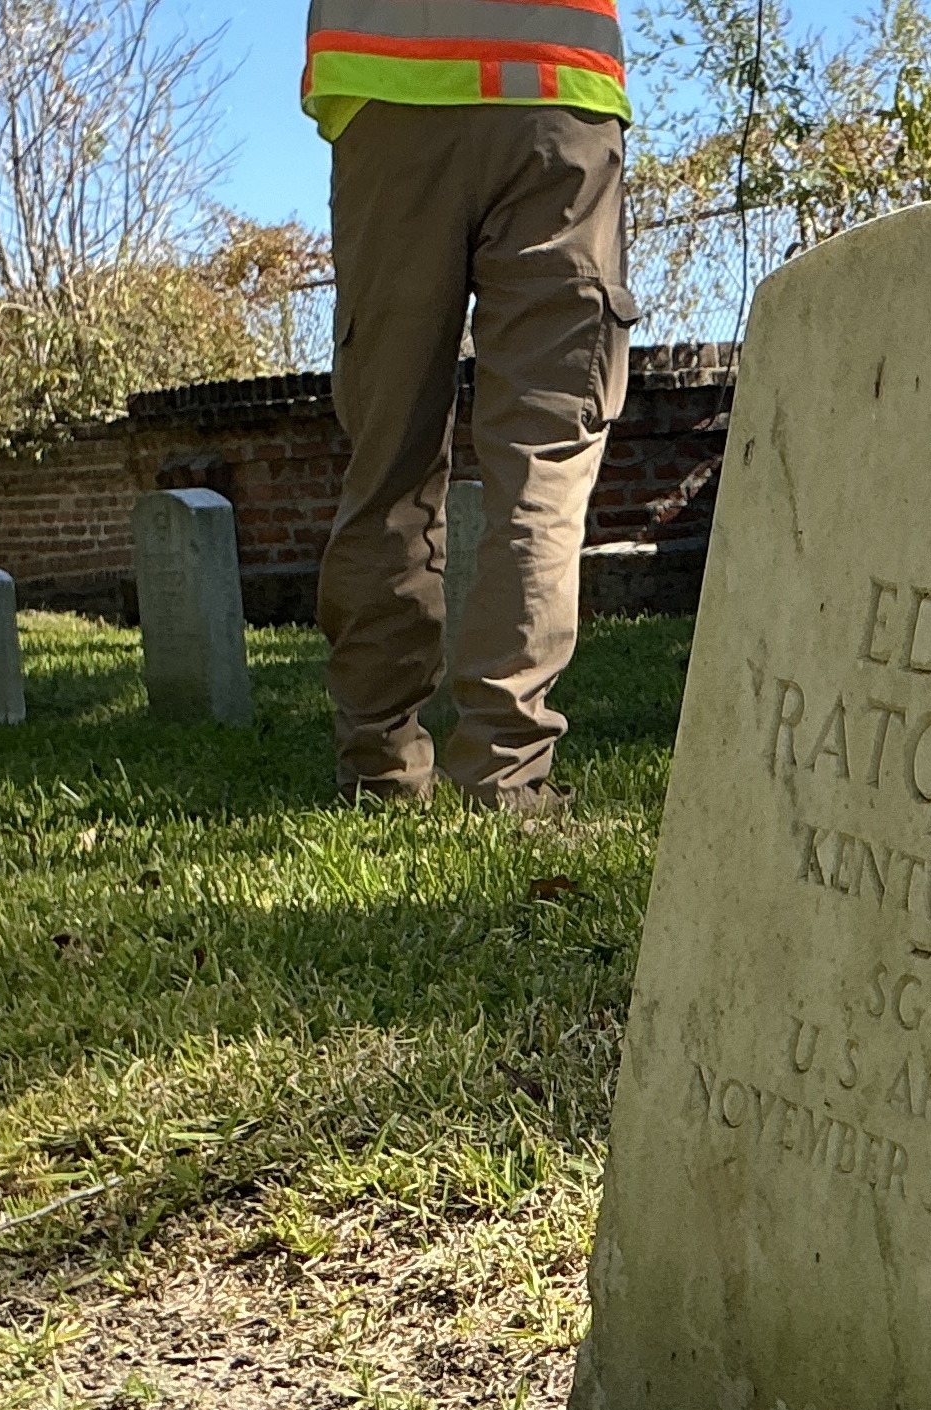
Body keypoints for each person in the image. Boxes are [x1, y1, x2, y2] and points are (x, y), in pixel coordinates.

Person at [303, 0, 637, 816]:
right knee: (544, 460)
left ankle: (379, 766)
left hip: (385, 88)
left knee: (389, 455)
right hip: (557, 94)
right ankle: (503, 772)